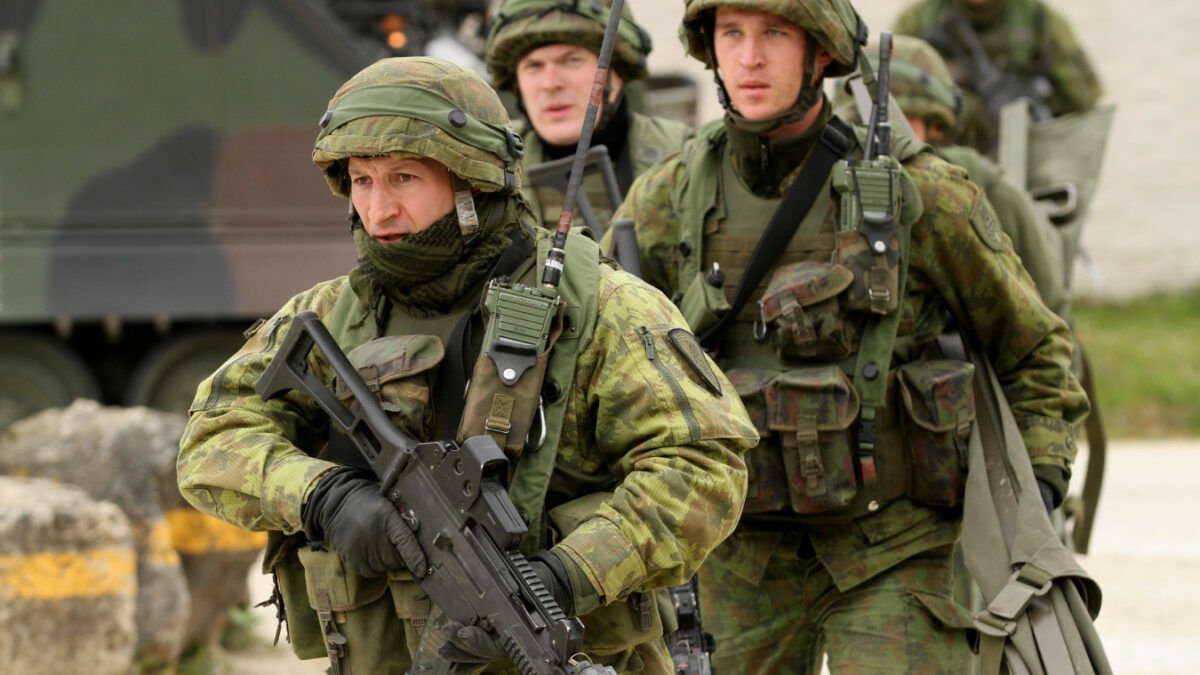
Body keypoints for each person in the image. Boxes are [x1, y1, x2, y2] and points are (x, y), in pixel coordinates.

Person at [176, 56, 756, 675]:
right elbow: (212, 440)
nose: (377, 209)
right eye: (362, 180)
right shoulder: (330, 316)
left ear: (472, 181)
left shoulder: (601, 309)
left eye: (403, 178)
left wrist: (569, 574)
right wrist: (323, 496)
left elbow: (704, 468)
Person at [611, 0, 1089, 672]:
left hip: (895, 545)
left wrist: (1036, 489)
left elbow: (1034, 349)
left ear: (822, 52)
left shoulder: (920, 192)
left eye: (775, 34)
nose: (749, 57)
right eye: (732, 34)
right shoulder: (667, 200)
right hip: (737, 558)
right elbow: (608, 367)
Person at [831, 34, 1070, 321]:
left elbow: (1050, 311)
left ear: (936, 128)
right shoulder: (827, 191)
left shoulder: (984, 193)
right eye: (860, 125)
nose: (875, 140)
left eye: (897, 125)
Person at [483, 0, 691, 231]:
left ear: (616, 75)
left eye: (572, 61)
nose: (550, 84)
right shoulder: (488, 167)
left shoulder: (685, 158)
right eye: (534, 66)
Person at [893, 0, 1103, 155]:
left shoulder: (1037, 19)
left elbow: (1083, 94)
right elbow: (891, 89)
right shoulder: (921, 19)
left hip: (1020, 143)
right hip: (943, 146)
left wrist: (1033, 109)